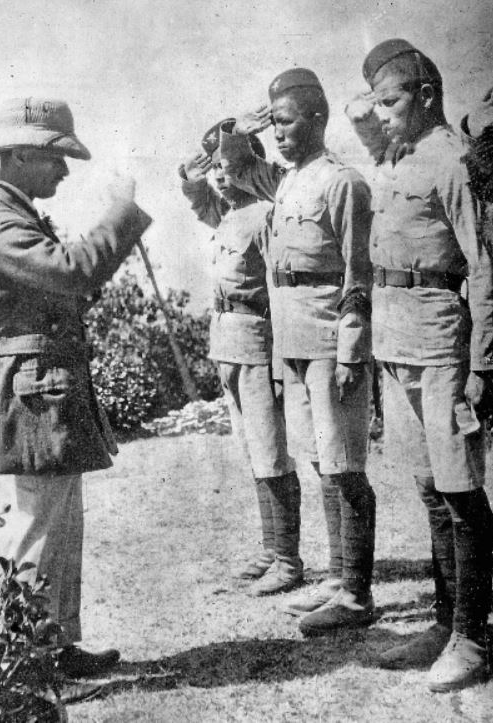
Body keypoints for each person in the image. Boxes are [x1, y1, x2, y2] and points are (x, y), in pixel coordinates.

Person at [0, 97, 151, 678]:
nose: (64, 171)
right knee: (38, 525)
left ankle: (52, 647)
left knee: (58, 522)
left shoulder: (11, 212)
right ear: (21, 154)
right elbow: (71, 272)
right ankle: (26, 661)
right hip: (33, 398)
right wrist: (121, 213)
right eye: (55, 159)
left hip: (40, 393)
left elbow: (62, 287)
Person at [347, 38, 493, 692]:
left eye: (391, 100)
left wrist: (482, 365)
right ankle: (444, 624)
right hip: (396, 341)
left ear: (427, 97)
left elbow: (487, 269)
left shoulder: (451, 163)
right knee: (426, 485)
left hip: (442, 340)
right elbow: (365, 116)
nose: (378, 113)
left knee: (461, 490)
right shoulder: (394, 155)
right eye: (376, 102)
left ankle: (472, 638)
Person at [220, 68, 376, 634]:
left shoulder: (343, 183)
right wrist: (244, 125)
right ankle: (337, 578)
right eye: (274, 124)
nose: (278, 134)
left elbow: (361, 274)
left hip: (330, 335)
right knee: (316, 458)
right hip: (290, 338)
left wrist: (354, 352)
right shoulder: (286, 181)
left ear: (316, 119)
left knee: (344, 463)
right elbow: (235, 163)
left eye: (285, 122)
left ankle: (357, 594)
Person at [178, 121, 302, 596]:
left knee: (273, 451)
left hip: (257, 342)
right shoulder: (227, 215)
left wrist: (277, 360)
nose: (222, 179)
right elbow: (197, 197)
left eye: (230, 168)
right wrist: (191, 175)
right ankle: (271, 549)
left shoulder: (266, 214)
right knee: (254, 451)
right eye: (217, 171)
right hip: (227, 343)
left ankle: (288, 560)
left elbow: (277, 287)